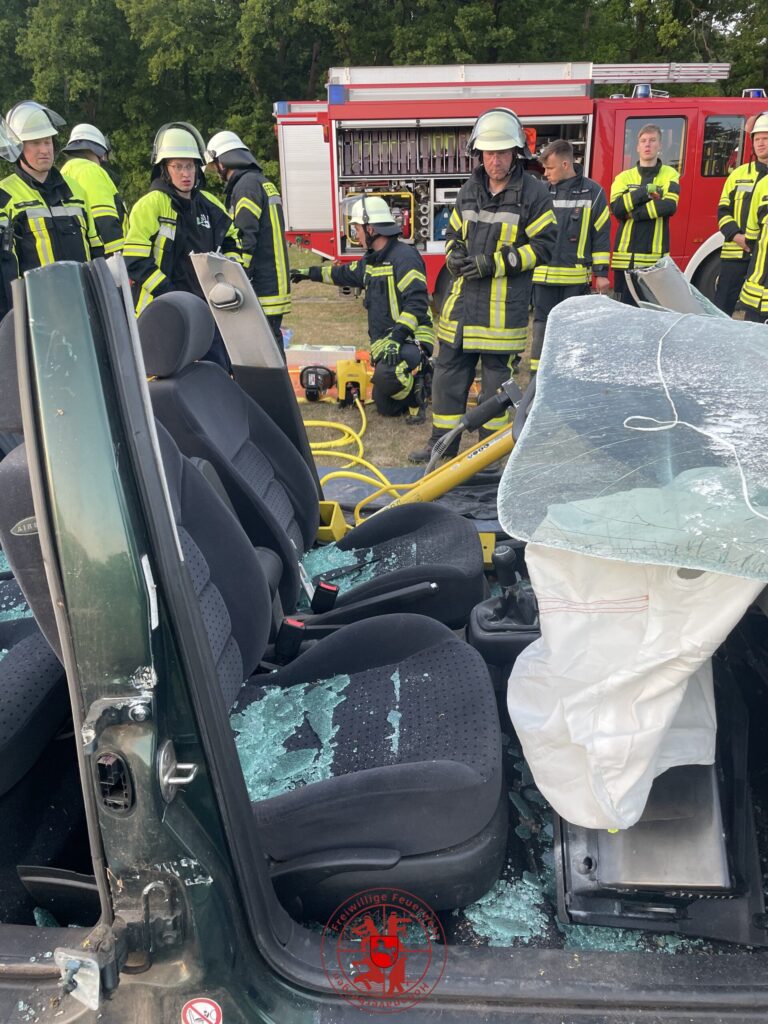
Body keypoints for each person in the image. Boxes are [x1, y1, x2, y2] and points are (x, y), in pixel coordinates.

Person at [409, 108, 556, 463]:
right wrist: (453, 254)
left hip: (501, 311)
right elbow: (452, 232)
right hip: (461, 307)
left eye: (502, 153)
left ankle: (488, 456)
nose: (495, 161)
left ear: (515, 153)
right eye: (489, 153)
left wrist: (494, 262)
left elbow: (544, 246)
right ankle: (442, 445)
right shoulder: (469, 190)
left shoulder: (533, 194)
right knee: (447, 378)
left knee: (496, 391)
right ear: (480, 154)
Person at [291, 195, 433, 422]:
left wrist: (397, 337)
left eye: (357, 227)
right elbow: (342, 273)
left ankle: (419, 385)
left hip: (410, 338)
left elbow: (417, 304)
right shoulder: (372, 261)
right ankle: (416, 380)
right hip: (388, 343)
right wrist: (308, 273)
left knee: (388, 376)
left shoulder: (405, 258)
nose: (355, 233)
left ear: (371, 228)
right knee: (384, 405)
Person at [123, 122, 242, 366]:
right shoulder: (150, 205)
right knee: (166, 380)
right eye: (177, 166)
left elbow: (233, 239)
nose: (186, 173)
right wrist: (169, 292)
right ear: (164, 169)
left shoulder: (209, 205)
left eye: (190, 166)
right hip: (162, 310)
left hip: (207, 311)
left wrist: (226, 276)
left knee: (214, 375)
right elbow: (134, 259)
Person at [0, 102, 102, 322]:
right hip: (35, 318)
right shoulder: (5, 196)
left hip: (82, 310)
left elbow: (96, 252)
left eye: (47, 142)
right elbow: (5, 271)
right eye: (36, 143)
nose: (45, 149)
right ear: (18, 147)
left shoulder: (76, 190)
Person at [204, 131, 290, 348]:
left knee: (262, 351)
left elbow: (245, 235)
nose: (217, 173)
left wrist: (237, 277)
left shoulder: (246, 186)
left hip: (262, 285)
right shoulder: (260, 182)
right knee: (272, 348)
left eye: (216, 166)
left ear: (224, 160)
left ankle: (268, 384)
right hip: (273, 281)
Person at [531, 139, 610, 373]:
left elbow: (601, 234)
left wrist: (601, 274)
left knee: (573, 329)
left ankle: (569, 375)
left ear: (566, 164)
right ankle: (539, 377)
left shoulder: (593, 192)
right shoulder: (542, 192)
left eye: (550, 168)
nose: (545, 174)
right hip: (543, 278)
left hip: (575, 280)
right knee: (541, 328)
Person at [609, 123, 680, 305]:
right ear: (638, 147)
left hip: (654, 261)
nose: (648, 145)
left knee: (651, 314)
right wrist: (645, 192)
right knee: (624, 312)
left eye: (652, 140)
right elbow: (616, 208)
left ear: (660, 146)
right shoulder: (623, 177)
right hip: (624, 260)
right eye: (643, 141)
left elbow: (670, 206)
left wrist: (634, 213)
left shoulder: (670, 174)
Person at [721, 112, 768, 319]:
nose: (761, 143)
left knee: (756, 312)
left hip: (763, 259)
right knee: (722, 308)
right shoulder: (738, 174)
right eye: (757, 139)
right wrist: (737, 236)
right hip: (735, 254)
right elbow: (722, 211)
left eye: (765, 138)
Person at [61, 123, 128, 256]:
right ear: (100, 152)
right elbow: (105, 219)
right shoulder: (90, 170)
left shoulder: (65, 172)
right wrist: (120, 261)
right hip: (104, 257)